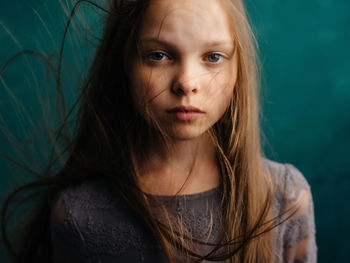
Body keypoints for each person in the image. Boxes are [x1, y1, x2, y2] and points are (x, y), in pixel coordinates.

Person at [1, 0, 317, 262]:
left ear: (238, 70)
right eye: (159, 55)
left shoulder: (285, 198)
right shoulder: (75, 215)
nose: (187, 83)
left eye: (213, 57)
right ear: (125, 62)